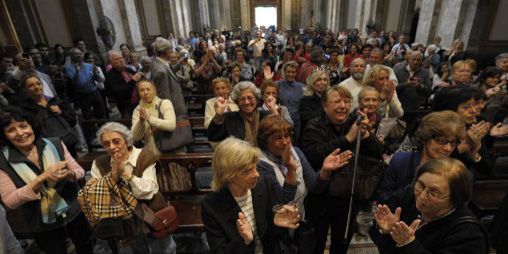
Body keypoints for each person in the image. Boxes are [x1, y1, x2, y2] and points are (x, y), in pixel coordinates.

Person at [300, 86, 383, 254]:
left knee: (342, 242)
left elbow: (378, 152)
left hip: (348, 194)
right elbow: (314, 156)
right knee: (316, 242)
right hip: (321, 196)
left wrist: (366, 136)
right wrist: (348, 138)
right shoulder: (313, 126)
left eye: (346, 101)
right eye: (337, 101)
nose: (343, 106)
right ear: (325, 106)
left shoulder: (355, 122)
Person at [0, 107, 92, 254]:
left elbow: (80, 172)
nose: (20, 133)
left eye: (24, 126)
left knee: (85, 246)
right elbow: (10, 201)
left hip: (72, 208)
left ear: (32, 126)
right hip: (40, 221)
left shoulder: (54, 143)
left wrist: (69, 174)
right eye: (11, 130)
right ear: (4, 135)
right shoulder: (3, 161)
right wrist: (42, 177)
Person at [201, 137, 301, 254]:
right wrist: (244, 241)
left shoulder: (264, 184)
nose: (256, 174)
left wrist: (277, 225)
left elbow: (274, 238)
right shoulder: (211, 205)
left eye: (255, 167)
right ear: (229, 174)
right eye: (248, 171)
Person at [88, 122, 176, 253]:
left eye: (116, 141)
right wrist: (112, 178)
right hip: (122, 219)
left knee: (163, 250)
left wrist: (127, 176)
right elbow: (96, 194)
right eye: (106, 144)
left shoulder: (145, 156)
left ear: (126, 140)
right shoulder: (100, 163)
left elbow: (148, 191)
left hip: (150, 211)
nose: (111, 147)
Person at [370, 158, 488, 254]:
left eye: (434, 192)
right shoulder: (408, 195)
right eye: (420, 185)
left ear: (454, 199)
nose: (421, 196)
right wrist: (387, 232)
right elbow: (383, 245)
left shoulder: (470, 235)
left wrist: (409, 245)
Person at [377, 111, 466, 203]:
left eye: (453, 143)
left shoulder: (455, 172)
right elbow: (384, 198)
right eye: (441, 140)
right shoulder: (401, 161)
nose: (448, 148)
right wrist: (415, 186)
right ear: (425, 137)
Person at [17, 73, 79, 156]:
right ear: (25, 89)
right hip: (48, 149)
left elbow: (73, 121)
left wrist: (60, 112)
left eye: (38, 83)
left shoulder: (56, 101)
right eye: (31, 85)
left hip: (68, 143)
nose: (36, 87)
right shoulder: (25, 110)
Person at [207, 81, 274, 144]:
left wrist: (273, 109)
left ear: (256, 99)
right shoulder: (230, 118)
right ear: (237, 102)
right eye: (242, 99)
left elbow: (279, 133)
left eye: (250, 98)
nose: (247, 102)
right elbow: (213, 137)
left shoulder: (266, 117)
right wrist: (218, 115)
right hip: (238, 156)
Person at [132, 80, 176, 155]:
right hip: (150, 152)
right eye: (142, 90)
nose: (145, 93)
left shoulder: (165, 103)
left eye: (148, 89)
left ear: (154, 91)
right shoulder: (137, 110)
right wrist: (141, 122)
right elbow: (135, 137)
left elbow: (171, 125)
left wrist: (149, 118)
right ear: (138, 93)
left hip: (169, 148)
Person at [63, 47, 106, 119]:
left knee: (101, 113)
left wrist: (95, 73)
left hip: (94, 92)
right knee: (88, 115)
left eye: (80, 54)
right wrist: (77, 71)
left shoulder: (89, 65)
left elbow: (99, 80)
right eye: (76, 54)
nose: (79, 55)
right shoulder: (68, 68)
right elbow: (70, 83)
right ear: (72, 56)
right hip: (82, 96)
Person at [105, 51, 143, 118]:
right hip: (127, 107)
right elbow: (119, 92)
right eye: (117, 59)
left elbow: (138, 77)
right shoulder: (110, 76)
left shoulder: (127, 69)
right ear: (111, 63)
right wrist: (133, 80)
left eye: (121, 58)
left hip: (139, 102)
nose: (121, 60)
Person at [276, 61, 304, 142]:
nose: (290, 74)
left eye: (293, 72)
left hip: (296, 121)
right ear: (284, 72)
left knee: (295, 143)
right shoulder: (278, 84)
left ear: (296, 73)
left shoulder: (301, 87)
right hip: (281, 120)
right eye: (288, 72)